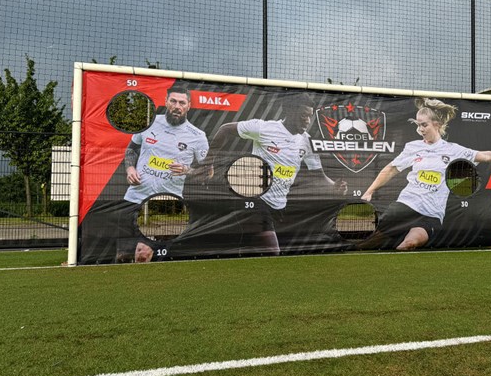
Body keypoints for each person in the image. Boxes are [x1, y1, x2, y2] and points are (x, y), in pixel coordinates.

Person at [360, 98, 491, 251]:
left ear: (436, 124)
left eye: (424, 125)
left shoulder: (453, 150)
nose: (420, 129)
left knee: (410, 243)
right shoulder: (412, 147)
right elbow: (390, 169)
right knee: (371, 239)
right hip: (406, 205)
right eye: (418, 125)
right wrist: (370, 191)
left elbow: (486, 156)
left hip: (432, 214)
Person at [200, 93, 347, 255]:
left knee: (250, 247)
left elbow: (318, 175)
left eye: (310, 117)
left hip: (278, 205)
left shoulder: (307, 141)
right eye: (303, 116)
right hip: (254, 199)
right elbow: (225, 129)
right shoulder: (264, 128)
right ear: (290, 111)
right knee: (272, 250)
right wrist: (209, 162)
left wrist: (334, 186)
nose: (307, 121)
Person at [118, 81, 208, 262]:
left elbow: (208, 172)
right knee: (122, 255)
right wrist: (130, 168)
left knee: (144, 254)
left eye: (182, 103)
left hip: (167, 205)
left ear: (188, 106)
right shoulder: (149, 122)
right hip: (135, 197)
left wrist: (187, 170)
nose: (177, 106)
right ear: (166, 101)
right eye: (173, 101)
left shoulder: (198, 136)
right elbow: (131, 149)